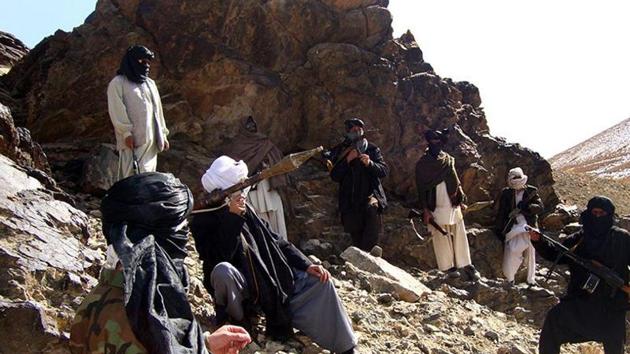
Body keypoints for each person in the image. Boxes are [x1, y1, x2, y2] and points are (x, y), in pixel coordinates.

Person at [69, 172, 251, 354]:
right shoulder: (135, 321)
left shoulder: (118, 299)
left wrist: (206, 346)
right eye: (181, 229)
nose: (185, 242)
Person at [190, 156, 357, 354]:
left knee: (320, 282)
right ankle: (238, 323)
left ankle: (345, 346)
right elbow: (218, 256)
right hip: (243, 287)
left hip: (268, 281)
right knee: (222, 271)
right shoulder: (203, 219)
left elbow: (276, 241)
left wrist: (305, 265)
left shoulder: (246, 210)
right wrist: (231, 219)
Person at [532, 196, 630, 354]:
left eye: (602, 213)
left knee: (614, 344)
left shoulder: (622, 238)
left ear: (609, 214)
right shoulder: (580, 238)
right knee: (554, 320)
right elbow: (556, 254)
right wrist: (539, 241)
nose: (597, 217)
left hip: (611, 304)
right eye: (594, 212)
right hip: (582, 301)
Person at [415, 128, 480, 280]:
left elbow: (456, 180)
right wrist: (425, 209)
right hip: (434, 201)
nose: (435, 143)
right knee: (440, 233)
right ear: (429, 142)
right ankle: (447, 268)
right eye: (432, 140)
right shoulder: (422, 164)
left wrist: (461, 198)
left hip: (452, 200)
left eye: (438, 140)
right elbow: (421, 188)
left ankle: (466, 265)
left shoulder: (448, 159)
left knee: (459, 231)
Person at [107, 45, 170, 181]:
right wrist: (126, 133)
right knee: (131, 177)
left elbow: (157, 110)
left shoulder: (150, 84)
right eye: (142, 61)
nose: (146, 65)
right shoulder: (118, 83)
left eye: (148, 62)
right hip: (133, 142)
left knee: (148, 177)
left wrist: (163, 134)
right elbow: (116, 111)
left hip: (152, 141)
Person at [224, 116, 289, 239]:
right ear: (243, 128)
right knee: (259, 222)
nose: (251, 127)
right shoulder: (237, 146)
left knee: (276, 219)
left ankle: (282, 248)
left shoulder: (265, 143)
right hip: (251, 190)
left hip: (269, 187)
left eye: (253, 124)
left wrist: (267, 162)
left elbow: (278, 161)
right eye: (248, 125)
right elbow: (233, 169)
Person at [329, 118, 388, 252]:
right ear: (348, 132)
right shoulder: (340, 150)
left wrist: (370, 164)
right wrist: (348, 160)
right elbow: (334, 175)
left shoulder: (372, 149)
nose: (356, 131)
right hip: (349, 201)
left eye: (358, 128)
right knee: (356, 237)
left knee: (372, 222)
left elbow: (383, 171)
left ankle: (370, 258)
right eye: (353, 129)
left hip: (370, 196)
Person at [494, 167, 543, 286]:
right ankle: (510, 278)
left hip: (529, 225)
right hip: (513, 226)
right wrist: (499, 229)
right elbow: (502, 212)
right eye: (513, 178)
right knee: (512, 250)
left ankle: (531, 280)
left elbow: (540, 207)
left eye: (518, 178)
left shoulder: (531, 191)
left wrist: (526, 208)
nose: (516, 180)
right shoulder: (506, 193)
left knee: (531, 252)